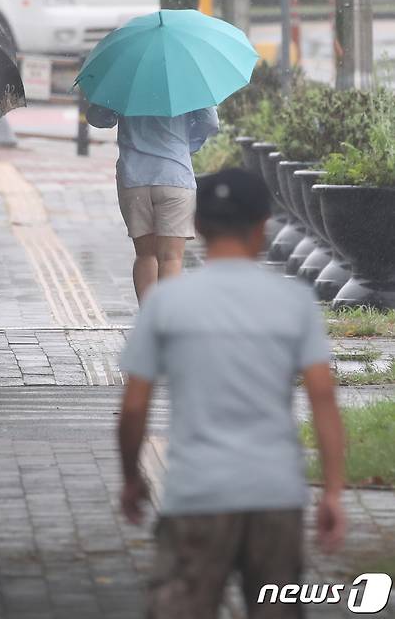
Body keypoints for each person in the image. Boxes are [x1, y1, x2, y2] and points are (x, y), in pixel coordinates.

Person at [118, 167, 345, 619]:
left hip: (196, 495)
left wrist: (131, 478)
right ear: (263, 226)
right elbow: (323, 400)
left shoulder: (166, 302)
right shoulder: (294, 302)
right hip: (275, 495)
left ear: (198, 226)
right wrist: (334, 492)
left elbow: (134, 405)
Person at [87, 103, 219, 299]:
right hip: (175, 176)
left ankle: (148, 321)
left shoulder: (126, 78)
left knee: (145, 255)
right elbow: (209, 121)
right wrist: (186, 145)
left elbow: (97, 118)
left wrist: (113, 112)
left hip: (134, 177)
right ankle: (165, 321)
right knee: (171, 257)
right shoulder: (185, 78)